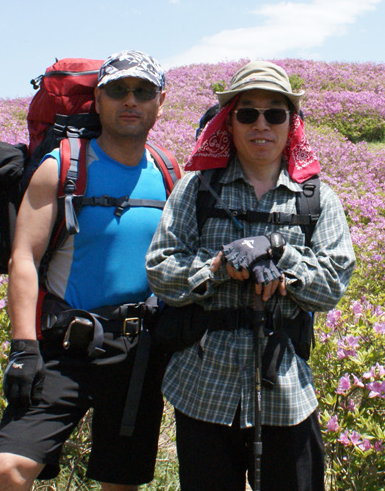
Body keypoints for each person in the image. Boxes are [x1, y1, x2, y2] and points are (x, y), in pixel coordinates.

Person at [147, 60, 356, 491]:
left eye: (275, 113)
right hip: (203, 389)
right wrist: (219, 267)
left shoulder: (317, 199)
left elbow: (334, 281)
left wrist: (284, 261)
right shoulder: (197, 189)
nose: (261, 124)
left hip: (287, 393)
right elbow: (161, 269)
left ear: (290, 123)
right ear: (230, 121)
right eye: (247, 113)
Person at [0, 50, 175, 491]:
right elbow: (24, 259)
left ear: (159, 102)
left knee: (121, 483)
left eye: (142, 91)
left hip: (137, 354)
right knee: (9, 470)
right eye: (117, 90)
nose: (131, 100)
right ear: (98, 99)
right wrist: (23, 348)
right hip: (62, 347)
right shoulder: (60, 167)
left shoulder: (168, 172)